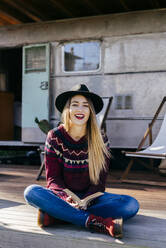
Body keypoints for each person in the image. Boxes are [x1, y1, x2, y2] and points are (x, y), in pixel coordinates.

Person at [24, 84, 139, 238]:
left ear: (90, 111)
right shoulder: (55, 136)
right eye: (75, 105)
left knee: (130, 205)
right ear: (68, 110)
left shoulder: (100, 139)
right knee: (31, 192)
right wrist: (67, 198)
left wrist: (85, 200)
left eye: (85, 105)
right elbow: (53, 179)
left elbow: (99, 182)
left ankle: (57, 216)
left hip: (91, 198)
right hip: (63, 197)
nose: (80, 109)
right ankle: (94, 221)